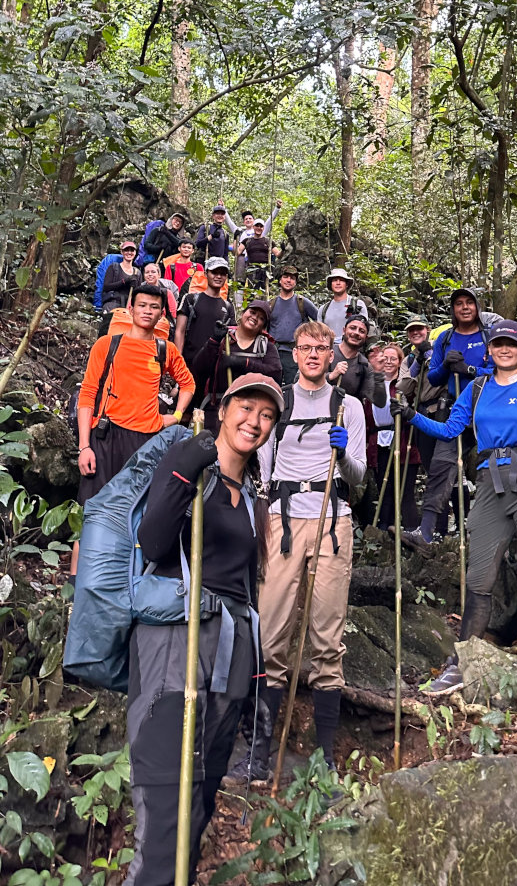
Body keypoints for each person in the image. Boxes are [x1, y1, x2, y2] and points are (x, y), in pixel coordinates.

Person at [124, 373, 283, 886]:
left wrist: (256, 676)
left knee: (201, 800)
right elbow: (153, 543)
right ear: (223, 410)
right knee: (166, 800)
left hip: (230, 654)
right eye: (246, 408)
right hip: (178, 641)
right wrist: (186, 467)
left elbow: (248, 586)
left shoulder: (251, 494)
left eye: (266, 416)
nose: (254, 422)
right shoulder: (190, 461)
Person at [391, 319, 517, 691]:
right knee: (479, 577)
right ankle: (460, 663)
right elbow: (450, 430)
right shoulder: (477, 388)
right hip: (489, 483)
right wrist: (412, 416)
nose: (505, 349)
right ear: (490, 349)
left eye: (512, 344)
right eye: (499, 344)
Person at [230, 320, 366, 781]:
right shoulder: (280, 403)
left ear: (331, 354)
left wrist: (343, 454)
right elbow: (263, 468)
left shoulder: (348, 406)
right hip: (283, 522)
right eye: (305, 347)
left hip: (332, 520)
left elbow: (359, 475)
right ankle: (259, 753)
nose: (312, 354)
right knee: (270, 635)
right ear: (294, 353)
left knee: (327, 637)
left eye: (321, 348)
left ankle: (325, 758)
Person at [73, 284, 195, 575]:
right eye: (142, 305)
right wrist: (84, 446)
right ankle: (77, 586)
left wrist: (176, 416)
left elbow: (188, 384)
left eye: (154, 307)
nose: (147, 311)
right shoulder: (107, 345)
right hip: (106, 436)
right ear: (130, 308)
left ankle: (123, 582)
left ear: (162, 313)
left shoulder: (165, 350)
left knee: (134, 514)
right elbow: (87, 394)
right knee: (90, 511)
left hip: (145, 443)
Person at [400, 287, 501, 552]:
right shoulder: (445, 339)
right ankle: (426, 532)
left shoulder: (489, 335)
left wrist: (469, 369)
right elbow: (433, 377)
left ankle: (499, 530)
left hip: (490, 408)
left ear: (477, 307)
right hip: (458, 408)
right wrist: (446, 366)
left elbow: (501, 370)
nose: (465, 307)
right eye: (459, 303)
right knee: (440, 465)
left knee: (496, 464)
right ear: (453, 310)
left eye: (469, 302)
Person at [192, 299, 282, 433]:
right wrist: (214, 341)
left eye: (261, 318)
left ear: (263, 326)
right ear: (242, 313)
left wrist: (243, 363)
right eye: (252, 312)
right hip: (216, 408)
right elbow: (199, 368)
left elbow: (276, 373)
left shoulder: (266, 346)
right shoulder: (224, 339)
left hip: (250, 410)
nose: (255, 318)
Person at [365, 343, 419, 532]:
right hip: (378, 441)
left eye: (393, 359)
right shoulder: (371, 384)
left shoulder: (405, 385)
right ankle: (384, 530)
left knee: (404, 489)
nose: (388, 362)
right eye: (384, 358)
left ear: (399, 362)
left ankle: (411, 530)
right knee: (384, 487)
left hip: (403, 440)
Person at [396, 317, 445, 477]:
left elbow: (444, 375)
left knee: (446, 460)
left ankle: (457, 492)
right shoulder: (408, 360)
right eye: (412, 330)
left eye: (419, 328)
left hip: (442, 411)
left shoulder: (441, 348)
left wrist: (430, 355)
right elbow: (403, 388)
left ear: (427, 330)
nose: (415, 332)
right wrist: (417, 362)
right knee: (428, 461)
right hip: (422, 413)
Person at [174, 258, 236, 372]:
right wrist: (178, 361)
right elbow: (180, 331)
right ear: (206, 274)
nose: (218, 276)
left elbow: (232, 338)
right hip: (189, 363)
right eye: (214, 272)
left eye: (222, 274)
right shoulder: (191, 299)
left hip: (215, 366)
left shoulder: (228, 306)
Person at [268, 266, 318, 384]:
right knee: (272, 385)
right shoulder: (271, 304)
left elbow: (319, 320)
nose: (288, 280)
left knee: (293, 387)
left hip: (294, 353)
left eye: (292, 278)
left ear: (295, 282)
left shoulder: (302, 302)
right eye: (285, 277)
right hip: (273, 352)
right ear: (280, 280)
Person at [328, 314, 386, 406]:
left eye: (361, 331)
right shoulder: (326, 352)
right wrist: (331, 376)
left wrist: (378, 373)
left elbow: (379, 402)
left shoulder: (364, 366)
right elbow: (303, 379)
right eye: (353, 328)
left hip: (348, 412)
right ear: (344, 330)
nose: (356, 333)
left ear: (365, 338)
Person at [224, 202, 282, 283]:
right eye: (246, 219)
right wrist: (223, 208)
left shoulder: (260, 230)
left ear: (253, 221)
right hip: (242, 256)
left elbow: (270, 220)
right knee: (240, 279)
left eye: (250, 218)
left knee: (258, 279)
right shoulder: (240, 231)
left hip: (257, 259)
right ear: (244, 222)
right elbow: (229, 223)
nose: (248, 220)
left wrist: (277, 208)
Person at [317, 269, 368, 341]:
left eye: (341, 280)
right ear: (331, 284)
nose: (338, 283)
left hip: (352, 345)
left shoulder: (358, 304)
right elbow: (320, 333)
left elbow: (363, 328)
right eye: (335, 280)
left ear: (346, 284)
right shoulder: (323, 309)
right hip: (330, 346)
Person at [238, 220, 280, 291]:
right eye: (257, 226)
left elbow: (278, 254)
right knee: (252, 290)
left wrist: (284, 249)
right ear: (253, 227)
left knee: (266, 290)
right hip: (252, 270)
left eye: (261, 226)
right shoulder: (247, 241)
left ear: (263, 228)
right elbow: (237, 252)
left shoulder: (268, 241)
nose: (259, 228)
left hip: (266, 270)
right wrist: (235, 238)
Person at [100, 241, 141, 313]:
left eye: (132, 250)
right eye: (126, 250)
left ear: (135, 253)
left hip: (128, 308)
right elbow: (106, 287)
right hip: (113, 304)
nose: (129, 252)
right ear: (122, 252)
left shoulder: (137, 273)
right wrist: (124, 281)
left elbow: (139, 294)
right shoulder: (114, 267)